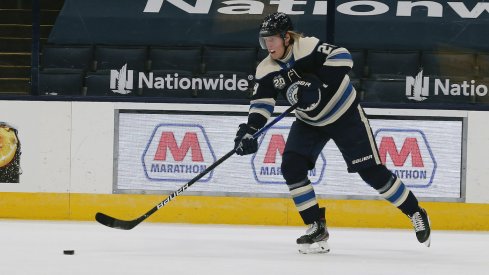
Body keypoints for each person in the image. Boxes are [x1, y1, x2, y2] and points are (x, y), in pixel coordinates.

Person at [234, 12, 431, 254]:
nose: (268, 45)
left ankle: (415, 211)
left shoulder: (307, 46)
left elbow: (344, 57)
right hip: (309, 122)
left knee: (371, 173)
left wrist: (319, 83)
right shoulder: (266, 69)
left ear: (286, 38)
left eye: (272, 39)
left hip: (344, 115)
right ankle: (316, 226)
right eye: (265, 40)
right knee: (291, 166)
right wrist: (250, 131)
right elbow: (262, 104)